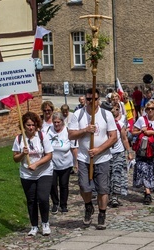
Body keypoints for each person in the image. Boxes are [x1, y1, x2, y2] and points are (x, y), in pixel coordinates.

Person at [68, 88, 117, 230]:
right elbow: (71, 135)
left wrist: (98, 150)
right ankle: (88, 206)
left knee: (103, 189)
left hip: (102, 157)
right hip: (84, 157)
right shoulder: (78, 114)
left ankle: (102, 214)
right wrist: (85, 130)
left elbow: (113, 137)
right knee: (84, 186)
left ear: (98, 99)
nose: (91, 102)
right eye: (88, 99)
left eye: (94, 99)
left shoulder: (106, 115)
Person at [12, 112, 54, 236]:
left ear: (36, 125)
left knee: (43, 198)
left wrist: (36, 164)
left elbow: (49, 155)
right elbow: (15, 158)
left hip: (44, 171)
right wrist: (22, 154)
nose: (30, 128)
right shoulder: (19, 139)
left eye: (33, 125)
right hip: (27, 174)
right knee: (31, 200)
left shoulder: (42, 136)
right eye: (28, 125)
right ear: (23, 126)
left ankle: (45, 223)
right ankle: (34, 225)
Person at [132, 100, 154, 204]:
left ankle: (150, 189)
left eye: (152, 108)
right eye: (148, 109)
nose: (150, 110)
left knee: (152, 171)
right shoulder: (141, 120)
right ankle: (147, 193)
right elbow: (133, 132)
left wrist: (152, 132)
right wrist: (141, 131)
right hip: (143, 149)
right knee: (143, 170)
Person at [48, 112, 78, 214]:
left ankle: (63, 204)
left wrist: (76, 162)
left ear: (62, 122)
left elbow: (74, 148)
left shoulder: (68, 131)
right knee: (52, 185)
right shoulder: (48, 131)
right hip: (51, 164)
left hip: (66, 163)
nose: (56, 124)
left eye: (58, 122)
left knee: (64, 185)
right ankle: (55, 203)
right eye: (54, 122)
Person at [106, 101, 133, 207]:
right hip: (107, 153)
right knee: (108, 175)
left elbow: (124, 139)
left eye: (116, 109)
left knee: (117, 174)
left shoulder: (120, 125)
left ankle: (115, 197)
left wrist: (129, 152)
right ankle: (108, 195)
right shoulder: (105, 125)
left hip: (118, 152)